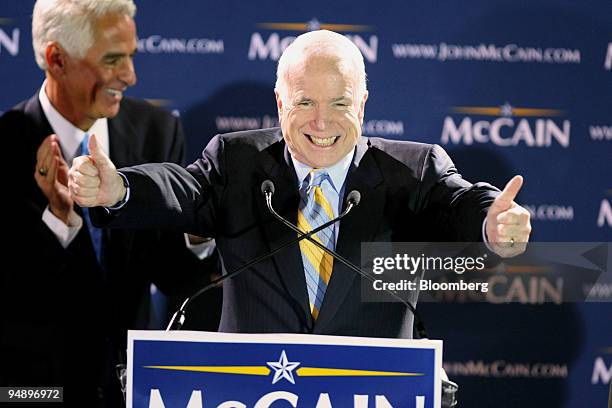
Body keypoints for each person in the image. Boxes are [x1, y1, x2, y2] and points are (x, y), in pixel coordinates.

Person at [69, 30, 531, 338]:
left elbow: (460, 202)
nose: (322, 122)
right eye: (305, 101)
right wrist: (119, 190)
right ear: (279, 99)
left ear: (364, 104)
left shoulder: (411, 169)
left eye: (339, 103)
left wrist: (491, 223)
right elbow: (183, 189)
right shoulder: (238, 161)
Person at [0, 0, 218, 406]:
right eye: (113, 60)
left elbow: (173, 276)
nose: (131, 76)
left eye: (131, 57)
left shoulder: (157, 132)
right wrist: (59, 225)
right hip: (33, 389)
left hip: (130, 388)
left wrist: (198, 229)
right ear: (56, 59)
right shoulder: (6, 145)